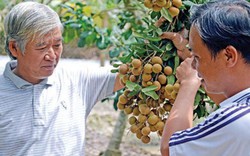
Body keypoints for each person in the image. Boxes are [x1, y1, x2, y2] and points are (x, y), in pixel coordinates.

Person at [0, 1, 123, 155]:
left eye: (57, 45)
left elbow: (133, 72)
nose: (52, 56)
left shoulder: (77, 82)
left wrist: (159, 36)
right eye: (41, 47)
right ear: (14, 47)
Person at [160, 0, 250, 155]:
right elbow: (226, 95)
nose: (194, 66)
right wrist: (192, 55)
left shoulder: (235, 121)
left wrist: (188, 84)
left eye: (197, 58)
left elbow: (169, 149)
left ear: (229, 56)